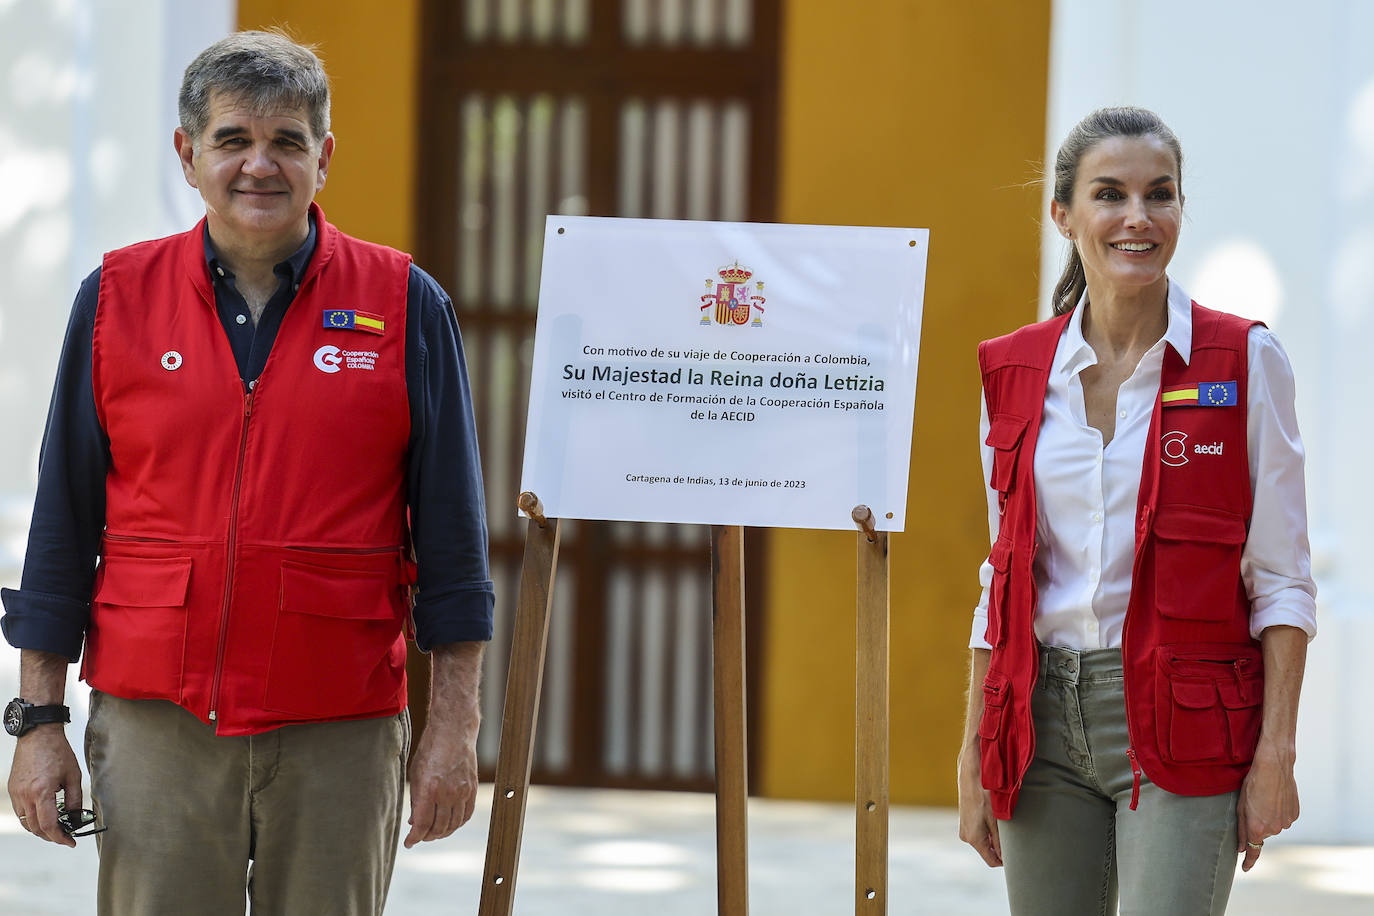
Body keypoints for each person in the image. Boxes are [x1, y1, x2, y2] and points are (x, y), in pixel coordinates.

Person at [2, 30, 494, 915]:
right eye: (232, 139)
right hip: (157, 723)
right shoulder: (115, 299)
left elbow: (454, 539)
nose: (259, 165)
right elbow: (62, 529)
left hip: (341, 727)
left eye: (287, 141)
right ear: (188, 154)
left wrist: (454, 728)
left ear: (324, 157)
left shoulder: (404, 304)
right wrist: (38, 722)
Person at [955, 107, 1316, 915]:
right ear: (1064, 214)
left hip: (1186, 717)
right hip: (1037, 721)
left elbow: (1283, 580)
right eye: (1110, 194)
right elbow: (1002, 578)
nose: (1138, 217)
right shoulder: (1013, 372)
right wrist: (976, 745)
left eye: (1160, 194)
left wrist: (1277, 752)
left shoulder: (1244, 360)